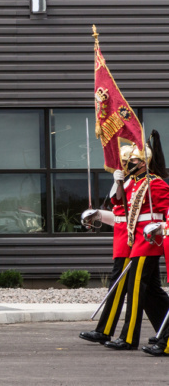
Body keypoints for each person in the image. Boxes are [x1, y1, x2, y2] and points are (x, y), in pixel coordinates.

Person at [105, 144, 169, 351]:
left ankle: (129, 337)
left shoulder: (156, 184)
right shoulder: (133, 182)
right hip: (135, 240)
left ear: (143, 162)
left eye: (131, 161)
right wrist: (118, 182)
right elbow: (117, 202)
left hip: (148, 242)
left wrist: (159, 227)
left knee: (135, 292)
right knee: (151, 292)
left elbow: (166, 212)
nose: (127, 164)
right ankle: (163, 332)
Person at [78, 169, 131, 345]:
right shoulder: (131, 182)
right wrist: (99, 215)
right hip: (124, 242)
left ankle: (105, 330)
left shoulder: (145, 184)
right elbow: (120, 213)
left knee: (123, 289)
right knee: (149, 293)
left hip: (132, 244)